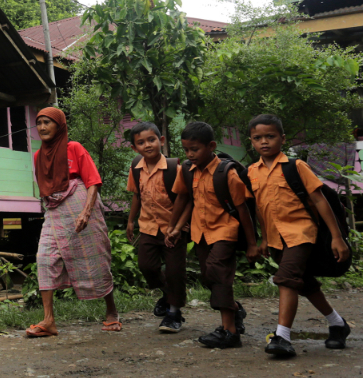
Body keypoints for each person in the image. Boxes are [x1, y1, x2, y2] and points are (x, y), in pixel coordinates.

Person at [245, 114, 351, 358]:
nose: (264, 142)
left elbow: (319, 200)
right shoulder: (252, 172)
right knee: (304, 284)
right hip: (276, 238)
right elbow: (261, 208)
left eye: (270, 136)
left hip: (302, 233)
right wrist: (263, 239)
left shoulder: (296, 166)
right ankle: (337, 324)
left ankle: (282, 336)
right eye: (257, 138)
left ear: (281, 139)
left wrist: (337, 237)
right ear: (251, 141)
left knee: (286, 278)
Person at [26, 107, 119, 338]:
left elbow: (93, 181)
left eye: (48, 122)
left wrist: (86, 213)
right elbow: (46, 189)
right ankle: (48, 321)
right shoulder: (38, 157)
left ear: (60, 126)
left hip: (80, 207)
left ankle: (112, 311)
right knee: (44, 259)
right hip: (54, 211)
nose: (43, 127)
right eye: (39, 123)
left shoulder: (74, 148)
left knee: (95, 257)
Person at [167, 121, 261, 349]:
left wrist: (252, 244)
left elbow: (243, 210)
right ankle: (235, 311)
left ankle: (229, 332)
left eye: (195, 149)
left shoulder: (226, 173)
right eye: (186, 150)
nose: (190, 154)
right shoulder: (187, 171)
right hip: (200, 233)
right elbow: (183, 199)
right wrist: (174, 227)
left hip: (225, 230)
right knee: (208, 276)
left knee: (217, 273)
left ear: (211, 146)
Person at [125, 121, 187, 333]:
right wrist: (131, 220)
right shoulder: (136, 169)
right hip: (148, 227)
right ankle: (168, 294)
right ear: (135, 148)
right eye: (141, 143)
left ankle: (174, 313)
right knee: (146, 266)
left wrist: (176, 227)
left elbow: (183, 199)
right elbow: (137, 195)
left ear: (161, 140)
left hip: (173, 229)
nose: (147, 145)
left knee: (175, 271)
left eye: (152, 140)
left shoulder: (174, 169)